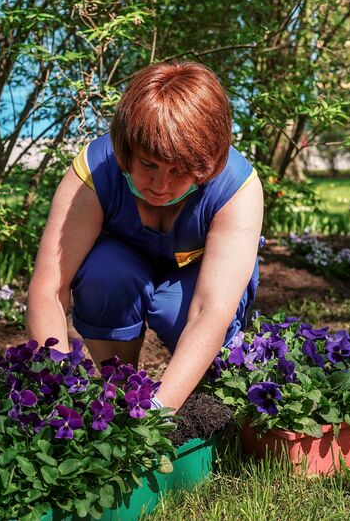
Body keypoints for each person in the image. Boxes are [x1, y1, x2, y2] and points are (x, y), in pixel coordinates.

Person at [26, 61, 263, 411]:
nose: (160, 185)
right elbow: (49, 289)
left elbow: (209, 311)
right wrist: (54, 390)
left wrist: (157, 412)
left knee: (173, 309)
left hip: (197, 284)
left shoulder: (236, 188)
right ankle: (121, 389)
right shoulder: (94, 173)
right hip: (124, 269)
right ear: (126, 149)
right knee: (105, 277)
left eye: (179, 171)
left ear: (206, 165)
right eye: (148, 164)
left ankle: (215, 395)